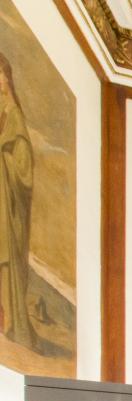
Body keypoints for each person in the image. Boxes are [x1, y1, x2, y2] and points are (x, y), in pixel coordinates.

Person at [0, 55, 35, 351]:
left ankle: (10, 321)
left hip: (7, 202)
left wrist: (4, 152)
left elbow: (24, 168)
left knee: (8, 259)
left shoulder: (13, 113)